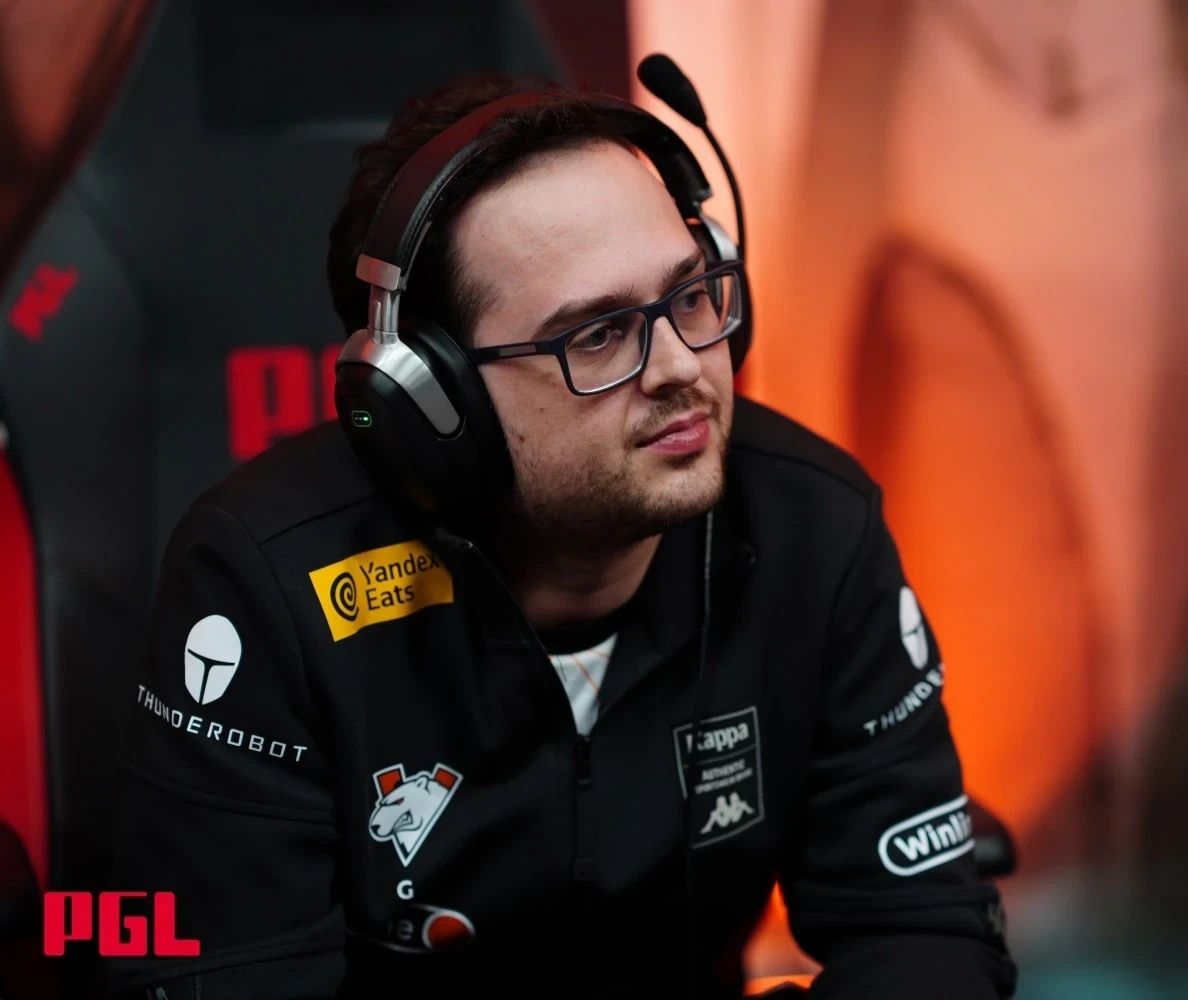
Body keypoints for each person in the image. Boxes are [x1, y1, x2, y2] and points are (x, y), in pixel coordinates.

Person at [107, 66, 1016, 999]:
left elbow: (920, 928)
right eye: (597, 335)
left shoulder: (814, 526)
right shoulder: (263, 584)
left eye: (692, 296)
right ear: (434, 398)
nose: (679, 368)